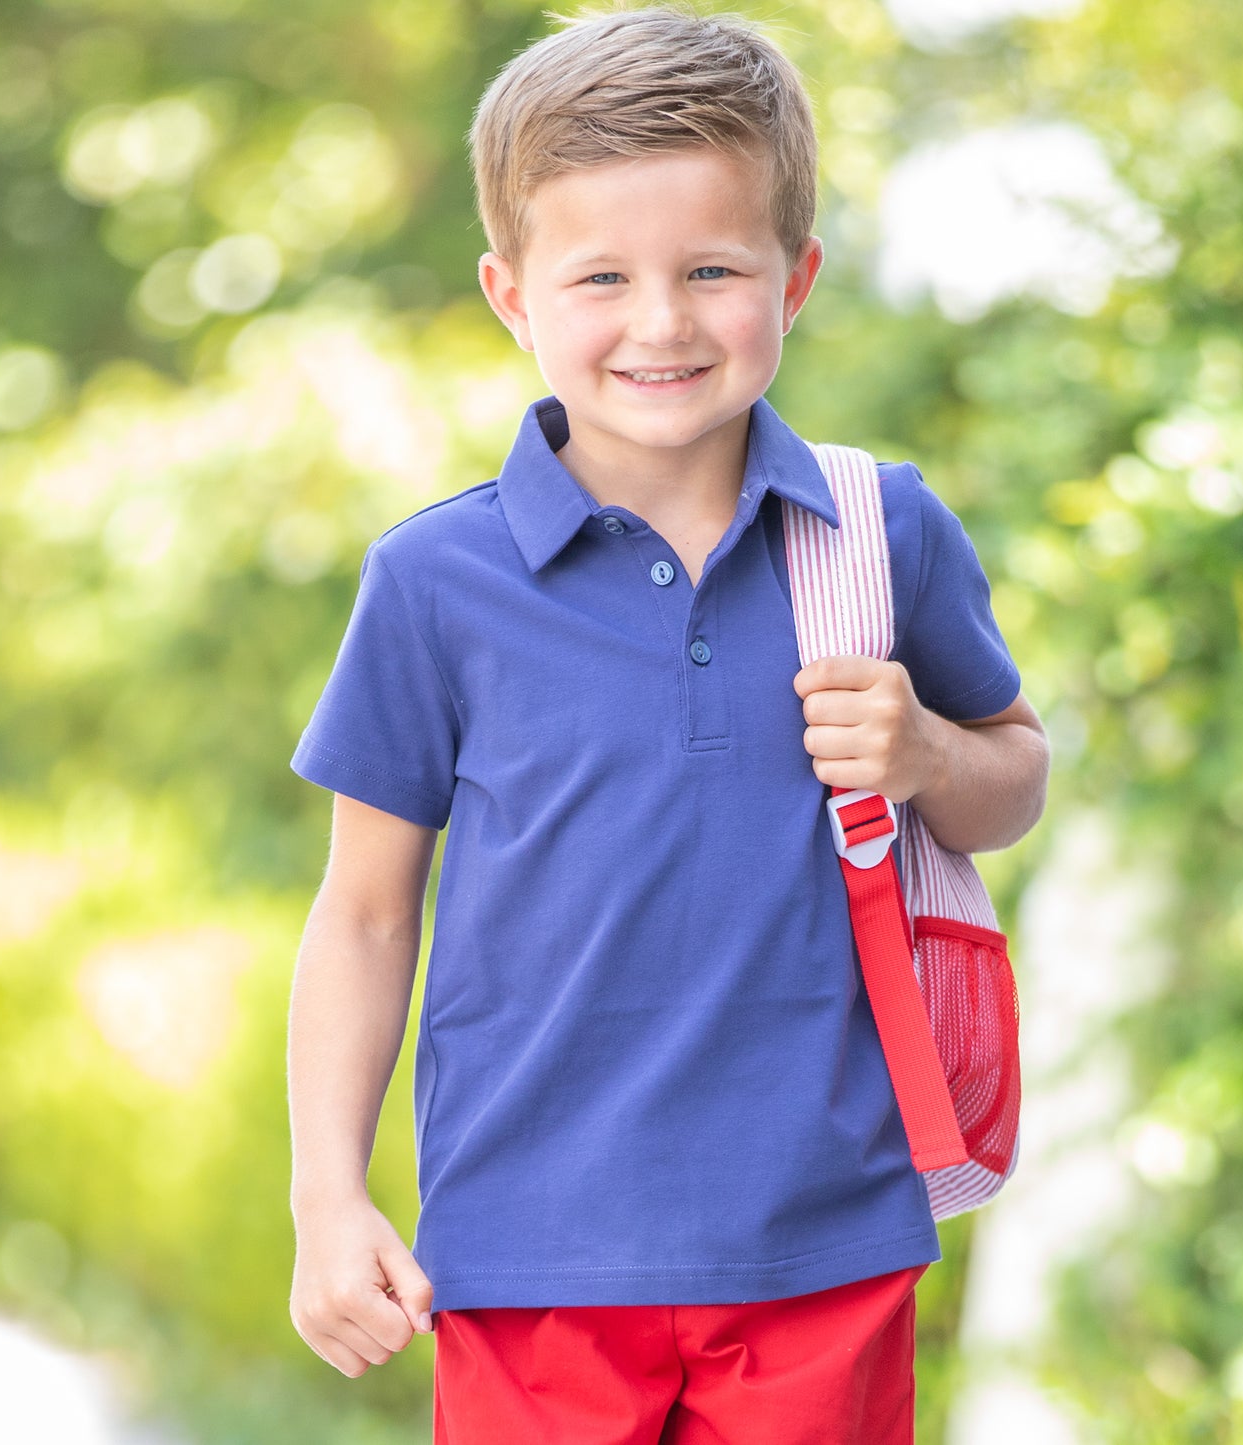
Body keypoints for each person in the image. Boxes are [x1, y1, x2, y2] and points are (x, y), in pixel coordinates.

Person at [286, 6, 1049, 1440]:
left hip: (824, 1243)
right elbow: (366, 917)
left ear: (795, 276)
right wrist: (328, 1199)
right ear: (509, 293)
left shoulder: (878, 535)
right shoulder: (433, 582)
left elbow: (1013, 776)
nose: (661, 321)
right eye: (601, 277)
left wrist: (929, 755)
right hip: (524, 1259)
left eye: (712, 268)